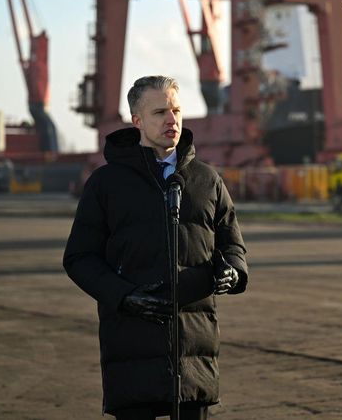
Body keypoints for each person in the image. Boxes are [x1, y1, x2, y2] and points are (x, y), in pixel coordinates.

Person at [63, 75, 248, 420]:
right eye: (160, 111)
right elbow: (79, 258)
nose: (171, 120)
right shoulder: (106, 183)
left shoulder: (207, 180)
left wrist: (233, 272)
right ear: (137, 121)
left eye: (176, 110)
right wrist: (124, 295)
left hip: (195, 348)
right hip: (132, 342)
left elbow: (232, 243)